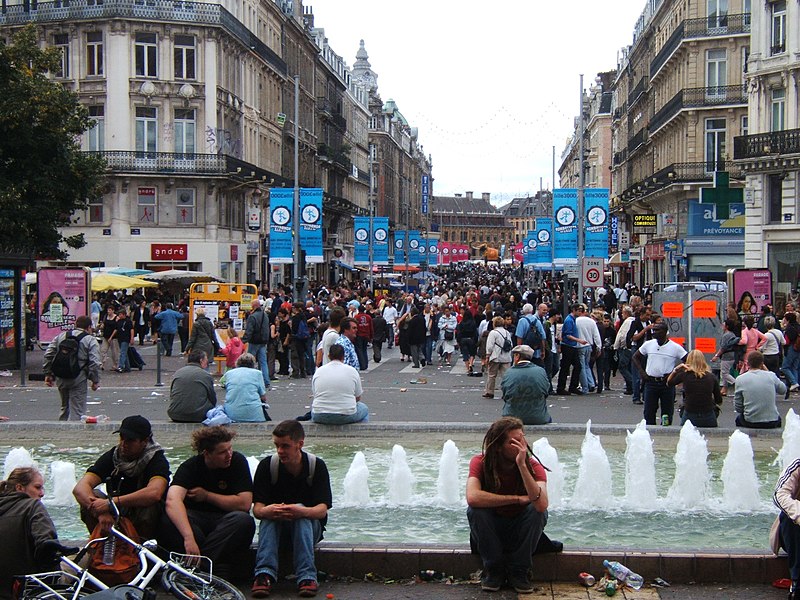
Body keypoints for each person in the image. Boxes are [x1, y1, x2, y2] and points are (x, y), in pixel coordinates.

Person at [466, 417, 548, 593]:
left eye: (523, 438)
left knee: (536, 511)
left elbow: (541, 504)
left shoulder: (533, 466)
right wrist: (517, 499)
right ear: (498, 446)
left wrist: (522, 465)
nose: (522, 445)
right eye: (515, 442)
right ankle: (493, 570)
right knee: (476, 511)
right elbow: (472, 497)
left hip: (520, 528)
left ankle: (519, 570)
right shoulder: (480, 462)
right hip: (492, 528)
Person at [251, 420, 332, 598]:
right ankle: (264, 574)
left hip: (309, 530)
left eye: (285, 446)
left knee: (301, 514)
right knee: (270, 517)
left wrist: (300, 511)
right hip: (275, 531)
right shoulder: (267, 466)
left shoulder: (316, 466)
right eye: (277, 446)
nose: (280, 451)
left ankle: (306, 576)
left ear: (299, 444)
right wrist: (269, 511)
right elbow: (257, 510)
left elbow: (321, 510)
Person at [161, 426, 255, 577]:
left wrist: (207, 496)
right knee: (170, 519)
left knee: (243, 520)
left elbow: (244, 503)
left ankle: (199, 567)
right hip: (197, 523)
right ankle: (213, 564)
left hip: (225, 522)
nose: (228, 455)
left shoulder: (238, 462)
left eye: (230, 449)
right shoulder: (191, 466)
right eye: (222, 452)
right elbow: (172, 500)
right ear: (207, 453)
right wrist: (188, 538)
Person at [73, 415, 170, 540]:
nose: (124, 444)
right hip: (114, 511)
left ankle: (140, 549)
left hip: (142, 516)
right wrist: (100, 512)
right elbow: (80, 488)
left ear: (144, 441)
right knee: (93, 497)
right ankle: (100, 546)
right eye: (122, 438)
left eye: (130, 440)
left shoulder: (156, 460)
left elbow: (154, 493)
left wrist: (111, 503)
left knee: (149, 508)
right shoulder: (114, 456)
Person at [0, 467, 60, 600]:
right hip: (28, 588)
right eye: (37, 487)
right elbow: (46, 545)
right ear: (20, 488)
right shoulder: (32, 506)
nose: (42, 493)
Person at [43, 315, 101, 421]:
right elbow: (95, 362)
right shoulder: (90, 340)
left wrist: (48, 373)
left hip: (61, 376)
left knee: (64, 407)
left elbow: (48, 354)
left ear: (75, 325)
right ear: (89, 327)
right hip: (79, 377)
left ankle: (62, 428)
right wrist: (95, 380)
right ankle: (74, 433)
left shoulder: (61, 336)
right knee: (77, 410)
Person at [632, 322, 687, 426]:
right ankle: (650, 432)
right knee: (649, 411)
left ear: (665, 332)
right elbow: (635, 357)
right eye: (654, 330)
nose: (654, 332)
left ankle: (665, 433)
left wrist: (675, 375)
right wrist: (642, 373)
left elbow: (688, 361)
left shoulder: (675, 347)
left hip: (666, 383)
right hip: (650, 382)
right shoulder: (649, 344)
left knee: (667, 412)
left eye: (658, 330)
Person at [311, 344, 368, 424]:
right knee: (364, 408)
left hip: (319, 414)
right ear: (343, 356)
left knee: (316, 407)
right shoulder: (352, 371)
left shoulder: (319, 371)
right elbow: (358, 397)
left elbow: (315, 394)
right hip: (346, 414)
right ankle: (360, 433)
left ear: (329, 356)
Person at [667, 349, 723, 427]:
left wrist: (676, 369)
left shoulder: (684, 375)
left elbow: (669, 383)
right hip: (708, 414)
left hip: (689, 413)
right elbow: (719, 400)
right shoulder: (711, 377)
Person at [734, 350, 785, 428]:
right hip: (771, 420)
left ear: (747, 364)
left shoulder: (740, 379)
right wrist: (767, 371)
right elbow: (783, 390)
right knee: (778, 420)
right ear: (762, 364)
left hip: (750, 420)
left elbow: (738, 407)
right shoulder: (771, 376)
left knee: (738, 419)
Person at [501, 345, 551, 425]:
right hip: (538, 417)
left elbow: (505, 394)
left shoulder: (509, 372)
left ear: (517, 356)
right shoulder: (541, 371)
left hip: (511, 417)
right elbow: (545, 392)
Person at [774, 458, 800, 600]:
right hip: (796, 533)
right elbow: (779, 495)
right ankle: (797, 582)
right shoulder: (797, 466)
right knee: (788, 517)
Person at [167, 350, 216, 422]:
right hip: (198, 415)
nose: (207, 362)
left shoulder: (178, 372)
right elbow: (212, 398)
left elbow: (172, 394)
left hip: (175, 414)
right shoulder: (205, 375)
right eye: (206, 360)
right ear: (201, 360)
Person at [220, 353, 269, 422]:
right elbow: (263, 396)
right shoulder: (257, 373)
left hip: (231, 413)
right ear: (253, 364)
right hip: (254, 413)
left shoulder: (229, 373)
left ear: (237, 363)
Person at [556, 304, 585, 396]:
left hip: (572, 346)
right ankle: (561, 388)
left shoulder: (573, 320)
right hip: (568, 346)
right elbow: (567, 335)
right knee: (566, 367)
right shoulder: (569, 320)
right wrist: (579, 340)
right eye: (579, 310)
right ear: (574, 310)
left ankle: (573, 386)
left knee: (577, 366)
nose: (580, 312)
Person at [242, 298, 271, 388]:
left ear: (253, 306)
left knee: (250, 360)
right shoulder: (265, 315)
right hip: (263, 341)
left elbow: (250, 330)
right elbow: (267, 328)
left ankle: (250, 379)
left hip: (254, 341)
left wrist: (244, 340)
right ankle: (266, 381)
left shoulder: (252, 316)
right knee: (263, 362)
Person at [483, 316, 513, 399]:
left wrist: (487, 355)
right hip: (506, 357)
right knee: (505, 376)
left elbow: (490, 346)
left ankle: (490, 392)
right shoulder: (507, 332)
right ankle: (506, 392)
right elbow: (511, 344)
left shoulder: (493, 333)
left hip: (495, 356)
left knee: (492, 375)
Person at [185, 307, 220, 372]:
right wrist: (218, 347)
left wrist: (187, 349)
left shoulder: (196, 324)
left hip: (197, 346)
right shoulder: (209, 323)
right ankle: (206, 376)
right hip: (208, 346)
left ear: (197, 314)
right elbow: (213, 336)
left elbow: (192, 338)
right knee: (206, 363)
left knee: (197, 363)